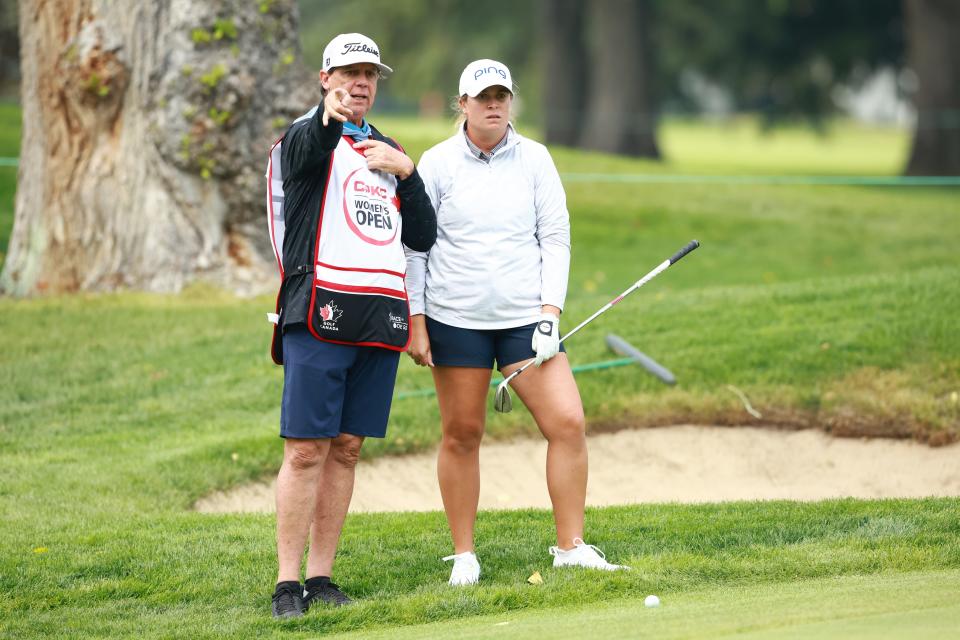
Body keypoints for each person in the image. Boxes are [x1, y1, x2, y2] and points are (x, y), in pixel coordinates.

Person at [405, 59, 627, 586]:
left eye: (501, 95)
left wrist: (551, 313)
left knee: (567, 423)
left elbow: (555, 238)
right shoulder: (435, 164)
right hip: (454, 317)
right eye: (482, 97)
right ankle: (464, 555)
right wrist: (415, 318)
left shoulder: (535, 159)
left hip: (525, 320)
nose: (493, 104)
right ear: (462, 104)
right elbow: (415, 246)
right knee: (463, 433)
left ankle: (570, 546)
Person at [266, 33, 436, 617]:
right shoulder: (305, 136)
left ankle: (322, 576)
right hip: (318, 311)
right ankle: (288, 583)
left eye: (370, 75)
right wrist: (326, 118)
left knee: (347, 448)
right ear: (325, 78)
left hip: (377, 317)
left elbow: (421, 236)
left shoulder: (386, 148)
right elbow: (306, 152)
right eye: (349, 73)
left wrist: (408, 173)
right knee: (307, 451)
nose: (360, 83)